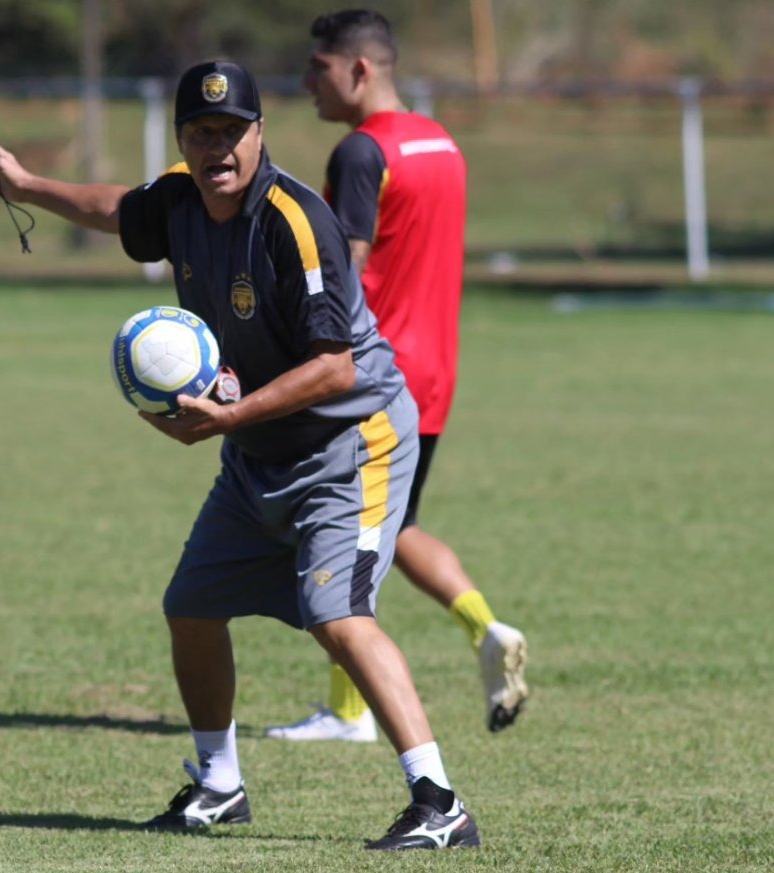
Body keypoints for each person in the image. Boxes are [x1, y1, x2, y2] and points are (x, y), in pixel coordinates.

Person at [0, 59, 479, 851]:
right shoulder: (177, 199)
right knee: (192, 605)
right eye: (202, 132)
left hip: (353, 439)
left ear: (258, 133)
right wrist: (27, 184)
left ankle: (439, 801)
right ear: (183, 140)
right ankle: (218, 785)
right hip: (258, 450)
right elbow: (116, 209)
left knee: (337, 616)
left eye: (232, 131)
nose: (219, 148)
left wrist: (231, 414)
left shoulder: (293, 220)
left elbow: (336, 366)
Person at [266, 9, 529, 742]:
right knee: (395, 522)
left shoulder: (360, 152)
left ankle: (350, 713)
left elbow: (342, 272)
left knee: (339, 532)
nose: (305, 82)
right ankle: (485, 626)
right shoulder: (441, 142)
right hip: (438, 368)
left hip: (375, 374)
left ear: (359, 69)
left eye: (317, 68)